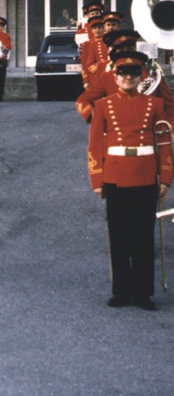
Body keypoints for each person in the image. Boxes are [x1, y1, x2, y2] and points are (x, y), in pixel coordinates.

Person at [88, 51, 172, 311]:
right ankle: (121, 291)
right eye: (123, 74)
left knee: (144, 237)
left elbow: (164, 143)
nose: (128, 78)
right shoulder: (103, 105)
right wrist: (98, 180)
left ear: (140, 77)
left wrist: (166, 179)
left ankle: (143, 292)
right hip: (114, 176)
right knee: (119, 235)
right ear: (116, 76)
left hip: (145, 175)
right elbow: (94, 145)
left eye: (133, 74)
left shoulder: (154, 105)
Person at [76, 30, 174, 124]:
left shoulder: (152, 75)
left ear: (136, 49)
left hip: (148, 135)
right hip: (118, 135)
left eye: (129, 47)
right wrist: (97, 118)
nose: (126, 51)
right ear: (115, 51)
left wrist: (168, 131)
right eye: (121, 48)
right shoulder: (108, 76)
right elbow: (82, 100)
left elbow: (170, 107)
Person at [80, 16, 106, 88]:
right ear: (91, 30)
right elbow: (84, 64)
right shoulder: (87, 44)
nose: (97, 30)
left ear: (104, 29)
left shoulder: (108, 42)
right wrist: (86, 81)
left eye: (99, 27)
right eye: (95, 28)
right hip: (94, 77)